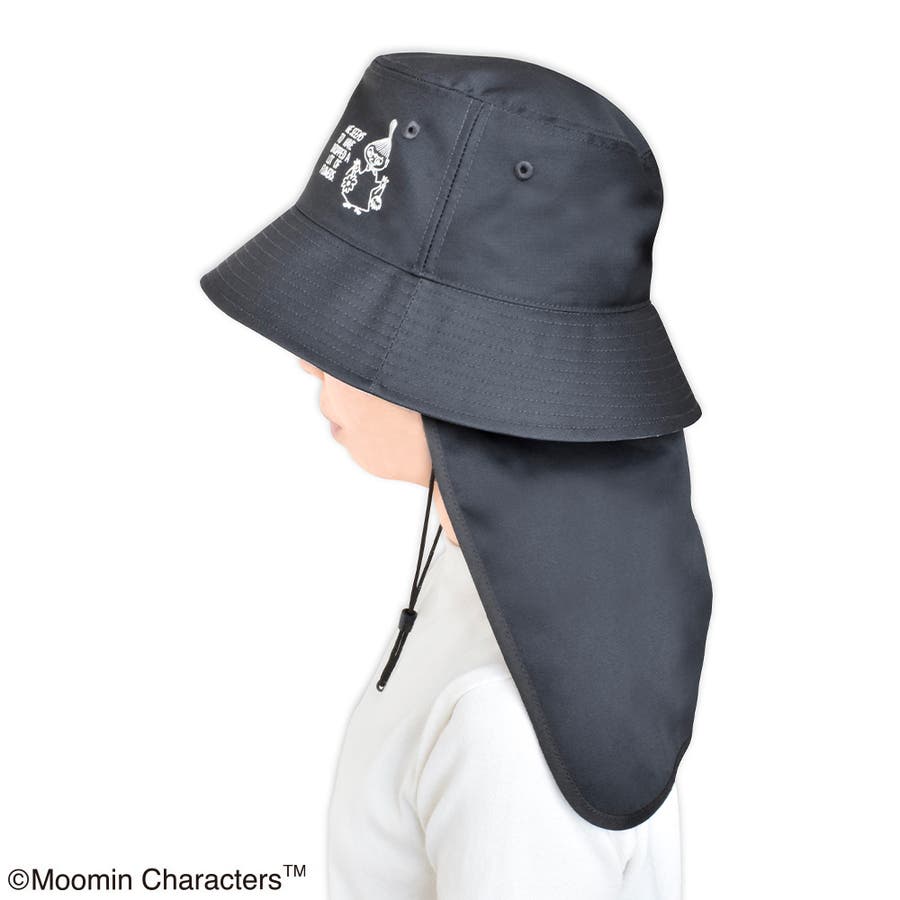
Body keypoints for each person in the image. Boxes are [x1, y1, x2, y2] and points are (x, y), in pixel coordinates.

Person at [202, 51, 711, 899]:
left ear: (471, 376)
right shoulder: (488, 578)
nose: (306, 359)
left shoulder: (501, 725)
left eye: (350, 323)